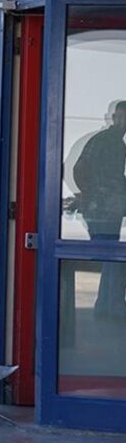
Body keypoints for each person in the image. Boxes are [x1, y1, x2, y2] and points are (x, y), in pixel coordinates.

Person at [72, 100, 126, 318]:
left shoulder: (106, 141)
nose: (121, 123)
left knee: (108, 260)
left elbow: (79, 169)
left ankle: (105, 306)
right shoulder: (113, 144)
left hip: (98, 210)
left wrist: (88, 194)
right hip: (103, 212)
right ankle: (109, 307)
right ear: (113, 118)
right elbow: (110, 179)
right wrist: (95, 194)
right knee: (111, 259)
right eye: (119, 118)